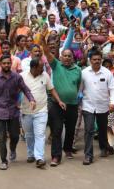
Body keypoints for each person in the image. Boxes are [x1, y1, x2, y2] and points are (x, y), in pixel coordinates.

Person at [0, 54, 36, 170]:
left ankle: (12, 149)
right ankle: (4, 161)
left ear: (11, 63)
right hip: (0, 111)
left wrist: (32, 99)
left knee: (15, 136)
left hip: (13, 111)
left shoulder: (17, 77)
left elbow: (25, 89)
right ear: (0, 64)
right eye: (4, 63)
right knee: (2, 137)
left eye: (8, 63)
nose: (6, 65)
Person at [41, 30, 81, 167]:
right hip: (56, 104)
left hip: (73, 104)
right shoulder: (56, 65)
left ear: (73, 58)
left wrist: (77, 95)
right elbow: (46, 52)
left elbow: (79, 84)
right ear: (61, 57)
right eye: (65, 56)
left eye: (69, 56)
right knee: (57, 130)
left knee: (70, 129)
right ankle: (56, 156)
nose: (67, 58)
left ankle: (68, 149)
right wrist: (42, 39)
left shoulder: (77, 70)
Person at [21, 58, 66, 168]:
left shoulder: (45, 75)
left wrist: (59, 101)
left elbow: (52, 89)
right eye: (41, 67)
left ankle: (39, 157)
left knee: (40, 134)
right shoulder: (22, 76)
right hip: (26, 111)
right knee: (29, 134)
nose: (43, 69)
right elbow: (15, 90)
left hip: (42, 110)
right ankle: (30, 154)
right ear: (34, 68)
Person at [79, 49, 114, 165]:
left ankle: (104, 148)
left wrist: (112, 102)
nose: (96, 61)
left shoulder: (107, 73)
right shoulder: (84, 72)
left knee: (102, 129)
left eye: (99, 60)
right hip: (88, 106)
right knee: (89, 130)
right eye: (94, 59)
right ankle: (88, 155)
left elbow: (113, 88)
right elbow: (80, 88)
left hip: (103, 106)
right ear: (90, 60)